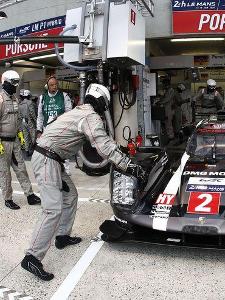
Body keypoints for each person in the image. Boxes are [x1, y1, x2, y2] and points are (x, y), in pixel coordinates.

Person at [21, 83, 145, 281]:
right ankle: (32, 257)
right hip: (47, 160)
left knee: (70, 197)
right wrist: (127, 165)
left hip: (52, 159)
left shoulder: (80, 111)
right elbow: (102, 145)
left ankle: (62, 236)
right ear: (102, 101)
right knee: (52, 209)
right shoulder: (90, 116)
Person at [0, 70, 41, 210]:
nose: (16, 86)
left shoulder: (15, 100)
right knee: (5, 172)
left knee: (21, 169)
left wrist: (22, 137)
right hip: (2, 143)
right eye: (14, 83)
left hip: (15, 141)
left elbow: (17, 122)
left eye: (17, 83)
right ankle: (8, 198)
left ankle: (30, 195)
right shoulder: (0, 99)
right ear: (5, 82)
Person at [37, 76, 73, 174]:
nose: (54, 86)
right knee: (48, 150)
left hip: (61, 128)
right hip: (47, 128)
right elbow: (40, 116)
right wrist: (39, 130)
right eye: (52, 85)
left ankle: (66, 170)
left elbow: (70, 113)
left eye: (56, 84)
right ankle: (50, 170)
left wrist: (62, 116)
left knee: (63, 148)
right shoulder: (42, 98)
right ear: (47, 87)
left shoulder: (64, 96)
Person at [18, 89, 37, 156]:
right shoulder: (30, 102)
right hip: (30, 121)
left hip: (23, 122)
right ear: (28, 95)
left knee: (26, 137)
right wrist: (36, 121)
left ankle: (26, 151)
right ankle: (34, 150)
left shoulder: (20, 104)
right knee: (33, 136)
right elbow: (32, 113)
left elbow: (19, 116)